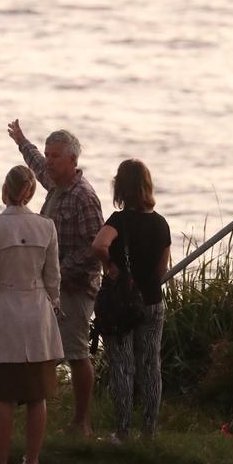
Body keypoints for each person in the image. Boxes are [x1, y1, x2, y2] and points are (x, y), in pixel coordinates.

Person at [8, 120, 103, 436]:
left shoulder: (83, 196)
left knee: (76, 353)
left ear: (73, 161)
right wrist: (22, 141)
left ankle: (82, 422)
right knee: (46, 350)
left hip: (75, 289)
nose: (48, 161)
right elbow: (35, 165)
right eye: (48, 155)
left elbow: (95, 246)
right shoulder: (56, 184)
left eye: (56, 156)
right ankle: (42, 414)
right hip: (54, 288)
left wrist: (57, 274)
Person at [0, 165, 62, 464]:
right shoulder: (46, 227)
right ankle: (33, 462)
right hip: (37, 312)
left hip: (4, 311)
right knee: (37, 394)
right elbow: (53, 278)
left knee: (3, 394)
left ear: (5, 189)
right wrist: (54, 305)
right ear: (31, 192)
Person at [91, 159, 171, 438]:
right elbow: (162, 269)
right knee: (150, 365)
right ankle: (150, 430)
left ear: (121, 188)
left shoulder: (119, 221)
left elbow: (99, 244)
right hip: (152, 302)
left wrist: (111, 268)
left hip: (121, 305)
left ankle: (122, 431)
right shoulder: (161, 224)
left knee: (122, 366)